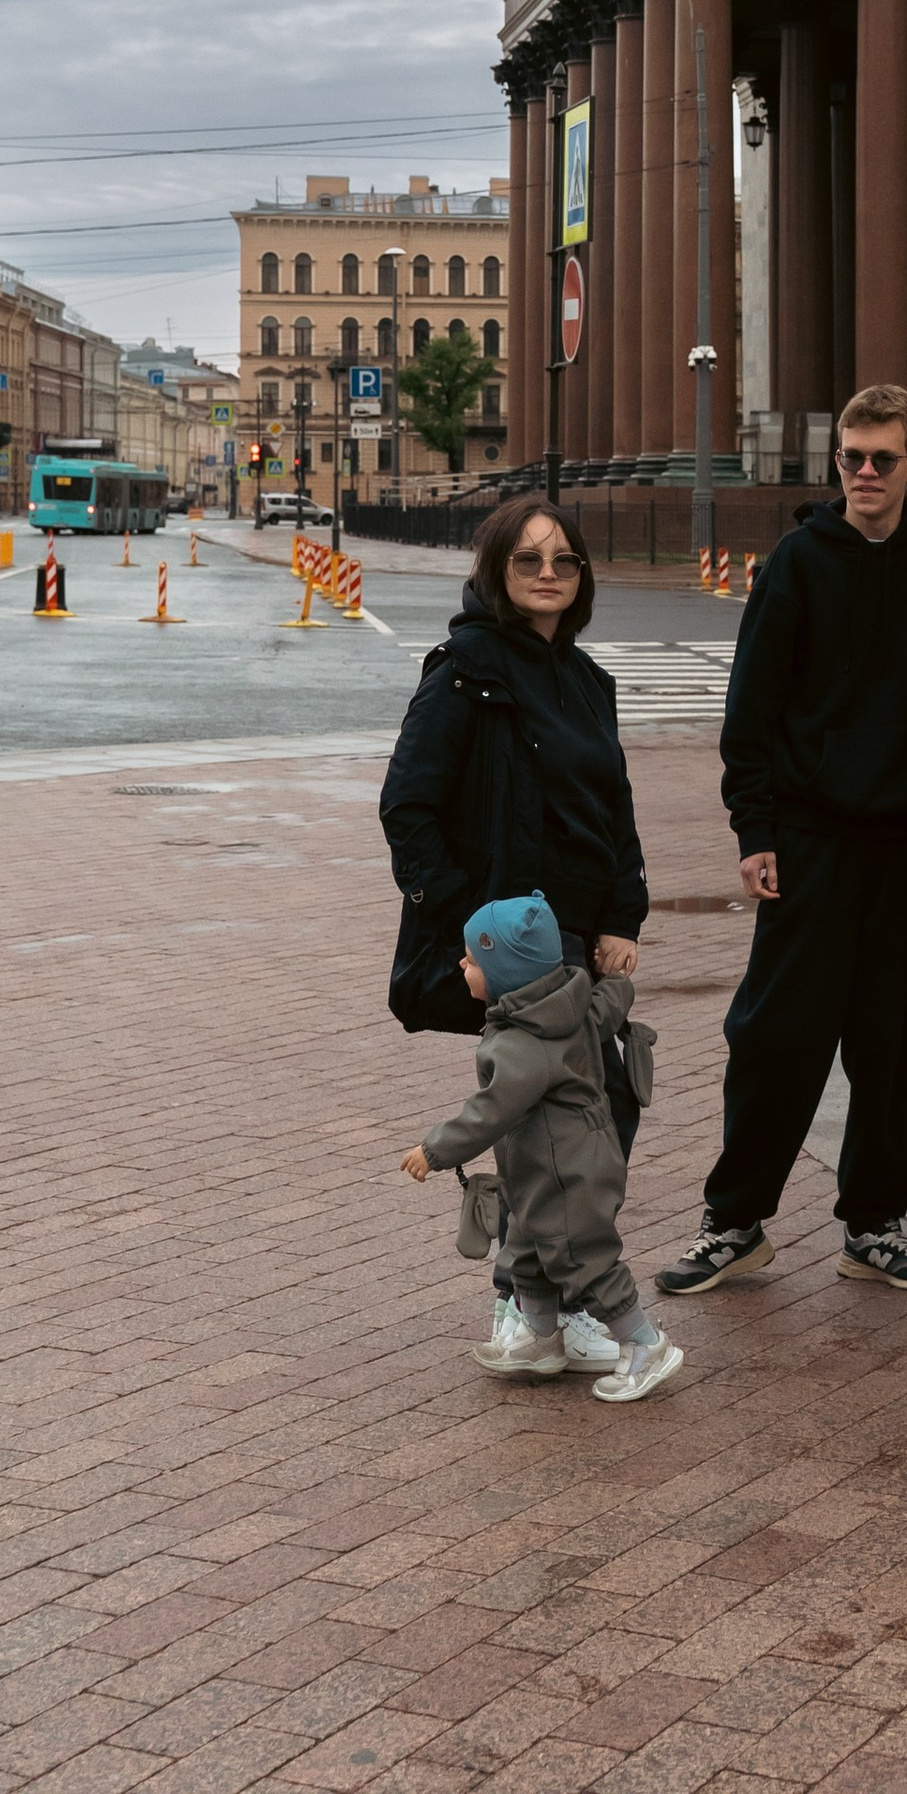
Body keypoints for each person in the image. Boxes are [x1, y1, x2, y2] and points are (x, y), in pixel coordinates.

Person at [653, 382, 907, 1300]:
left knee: (885, 1044)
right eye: (850, 457)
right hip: (808, 843)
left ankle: (871, 1223)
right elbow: (749, 707)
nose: (864, 474)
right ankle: (736, 1222)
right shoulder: (796, 561)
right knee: (775, 1036)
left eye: (882, 459)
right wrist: (753, 829)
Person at [379, 497, 649, 1366]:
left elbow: (611, 805)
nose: (547, 574)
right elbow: (408, 806)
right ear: (495, 570)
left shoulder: (585, 679)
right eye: (529, 560)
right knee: (564, 1121)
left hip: (579, 936)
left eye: (564, 561)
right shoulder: (464, 671)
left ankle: (543, 1302)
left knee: (594, 1116)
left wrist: (621, 915)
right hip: (524, 947)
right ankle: (526, 1305)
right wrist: (472, 926)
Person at [398, 891, 681, 1403]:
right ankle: (540, 1339)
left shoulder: (522, 1046)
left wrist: (435, 1150)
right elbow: (611, 1001)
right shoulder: (570, 1005)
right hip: (545, 1168)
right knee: (525, 1248)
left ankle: (645, 1345)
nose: (462, 963)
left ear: (506, 973)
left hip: (568, 1172)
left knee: (583, 1258)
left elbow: (489, 1111)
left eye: (473, 959)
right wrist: (618, 977)